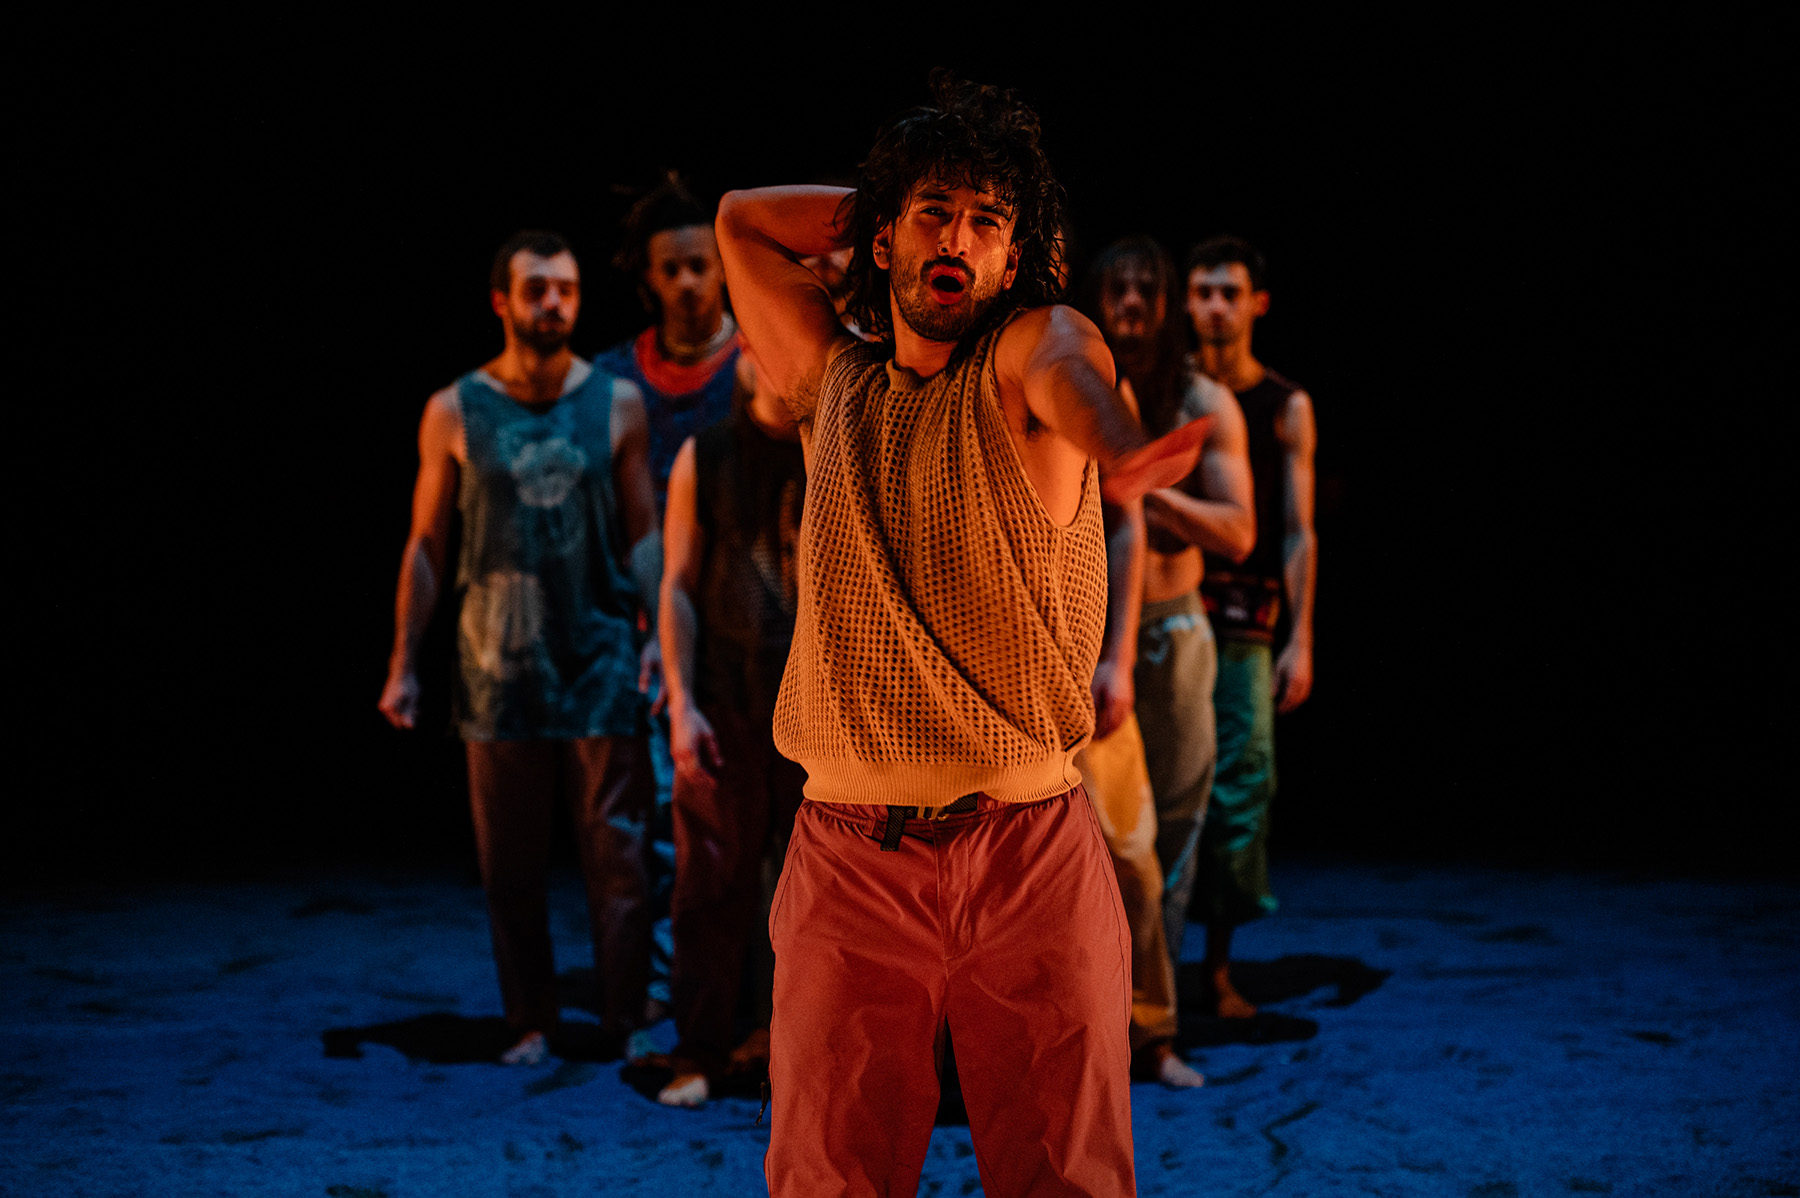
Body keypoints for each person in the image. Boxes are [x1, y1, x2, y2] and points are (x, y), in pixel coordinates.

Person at [716, 73, 1210, 1197]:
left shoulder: (1033, 346)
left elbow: (1073, 371)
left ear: (1016, 255)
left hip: (1031, 854)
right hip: (850, 861)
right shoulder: (832, 382)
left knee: (1067, 1177)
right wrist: (892, 198)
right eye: (937, 214)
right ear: (883, 238)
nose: (961, 238)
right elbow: (741, 219)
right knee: (829, 1179)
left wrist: (1122, 446)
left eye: (990, 221)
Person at [378, 230, 661, 1066]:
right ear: (502, 300)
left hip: (600, 657)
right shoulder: (454, 408)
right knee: (510, 862)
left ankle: (623, 1016)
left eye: (566, 289)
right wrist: (402, 663)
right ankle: (530, 1019)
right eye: (538, 288)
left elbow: (643, 534)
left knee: (619, 856)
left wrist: (659, 642)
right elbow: (427, 543)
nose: (554, 304)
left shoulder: (617, 403)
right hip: (496, 669)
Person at [1079, 237, 1254, 1078]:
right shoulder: (1078, 382)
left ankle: (1159, 1019)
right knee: (1101, 840)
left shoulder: (1201, 400)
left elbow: (1240, 532)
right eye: (1117, 288)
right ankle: (1100, 1014)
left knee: (1175, 832)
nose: (1131, 303)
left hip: (1172, 629)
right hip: (1089, 636)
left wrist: (1148, 486)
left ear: (1168, 302)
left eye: (1146, 289)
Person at [596, 176, 748, 1011]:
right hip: (653, 628)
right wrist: (651, 625)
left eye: (701, 265)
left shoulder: (760, 365)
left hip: (756, 624)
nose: (689, 283)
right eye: (672, 270)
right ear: (649, 279)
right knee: (664, 814)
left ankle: (755, 998)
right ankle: (669, 989)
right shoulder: (617, 381)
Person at [655, 337, 808, 1107]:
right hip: (725, 704)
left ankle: (802, 1059)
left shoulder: (831, 450)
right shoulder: (706, 454)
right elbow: (678, 585)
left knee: (819, 903)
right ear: (743, 349)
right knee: (710, 888)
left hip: (816, 718)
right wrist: (681, 703)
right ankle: (701, 1052)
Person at [1188, 235, 1318, 1018]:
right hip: (1169, 613)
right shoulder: (1169, 391)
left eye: (1229, 293)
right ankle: (1144, 971)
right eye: (1203, 291)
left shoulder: (1284, 404)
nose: (1216, 307)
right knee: (1160, 791)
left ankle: (1217, 968)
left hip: (1247, 623)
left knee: (1240, 790)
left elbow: (1299, 530)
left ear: (1257, 303)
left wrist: (1302, 636)